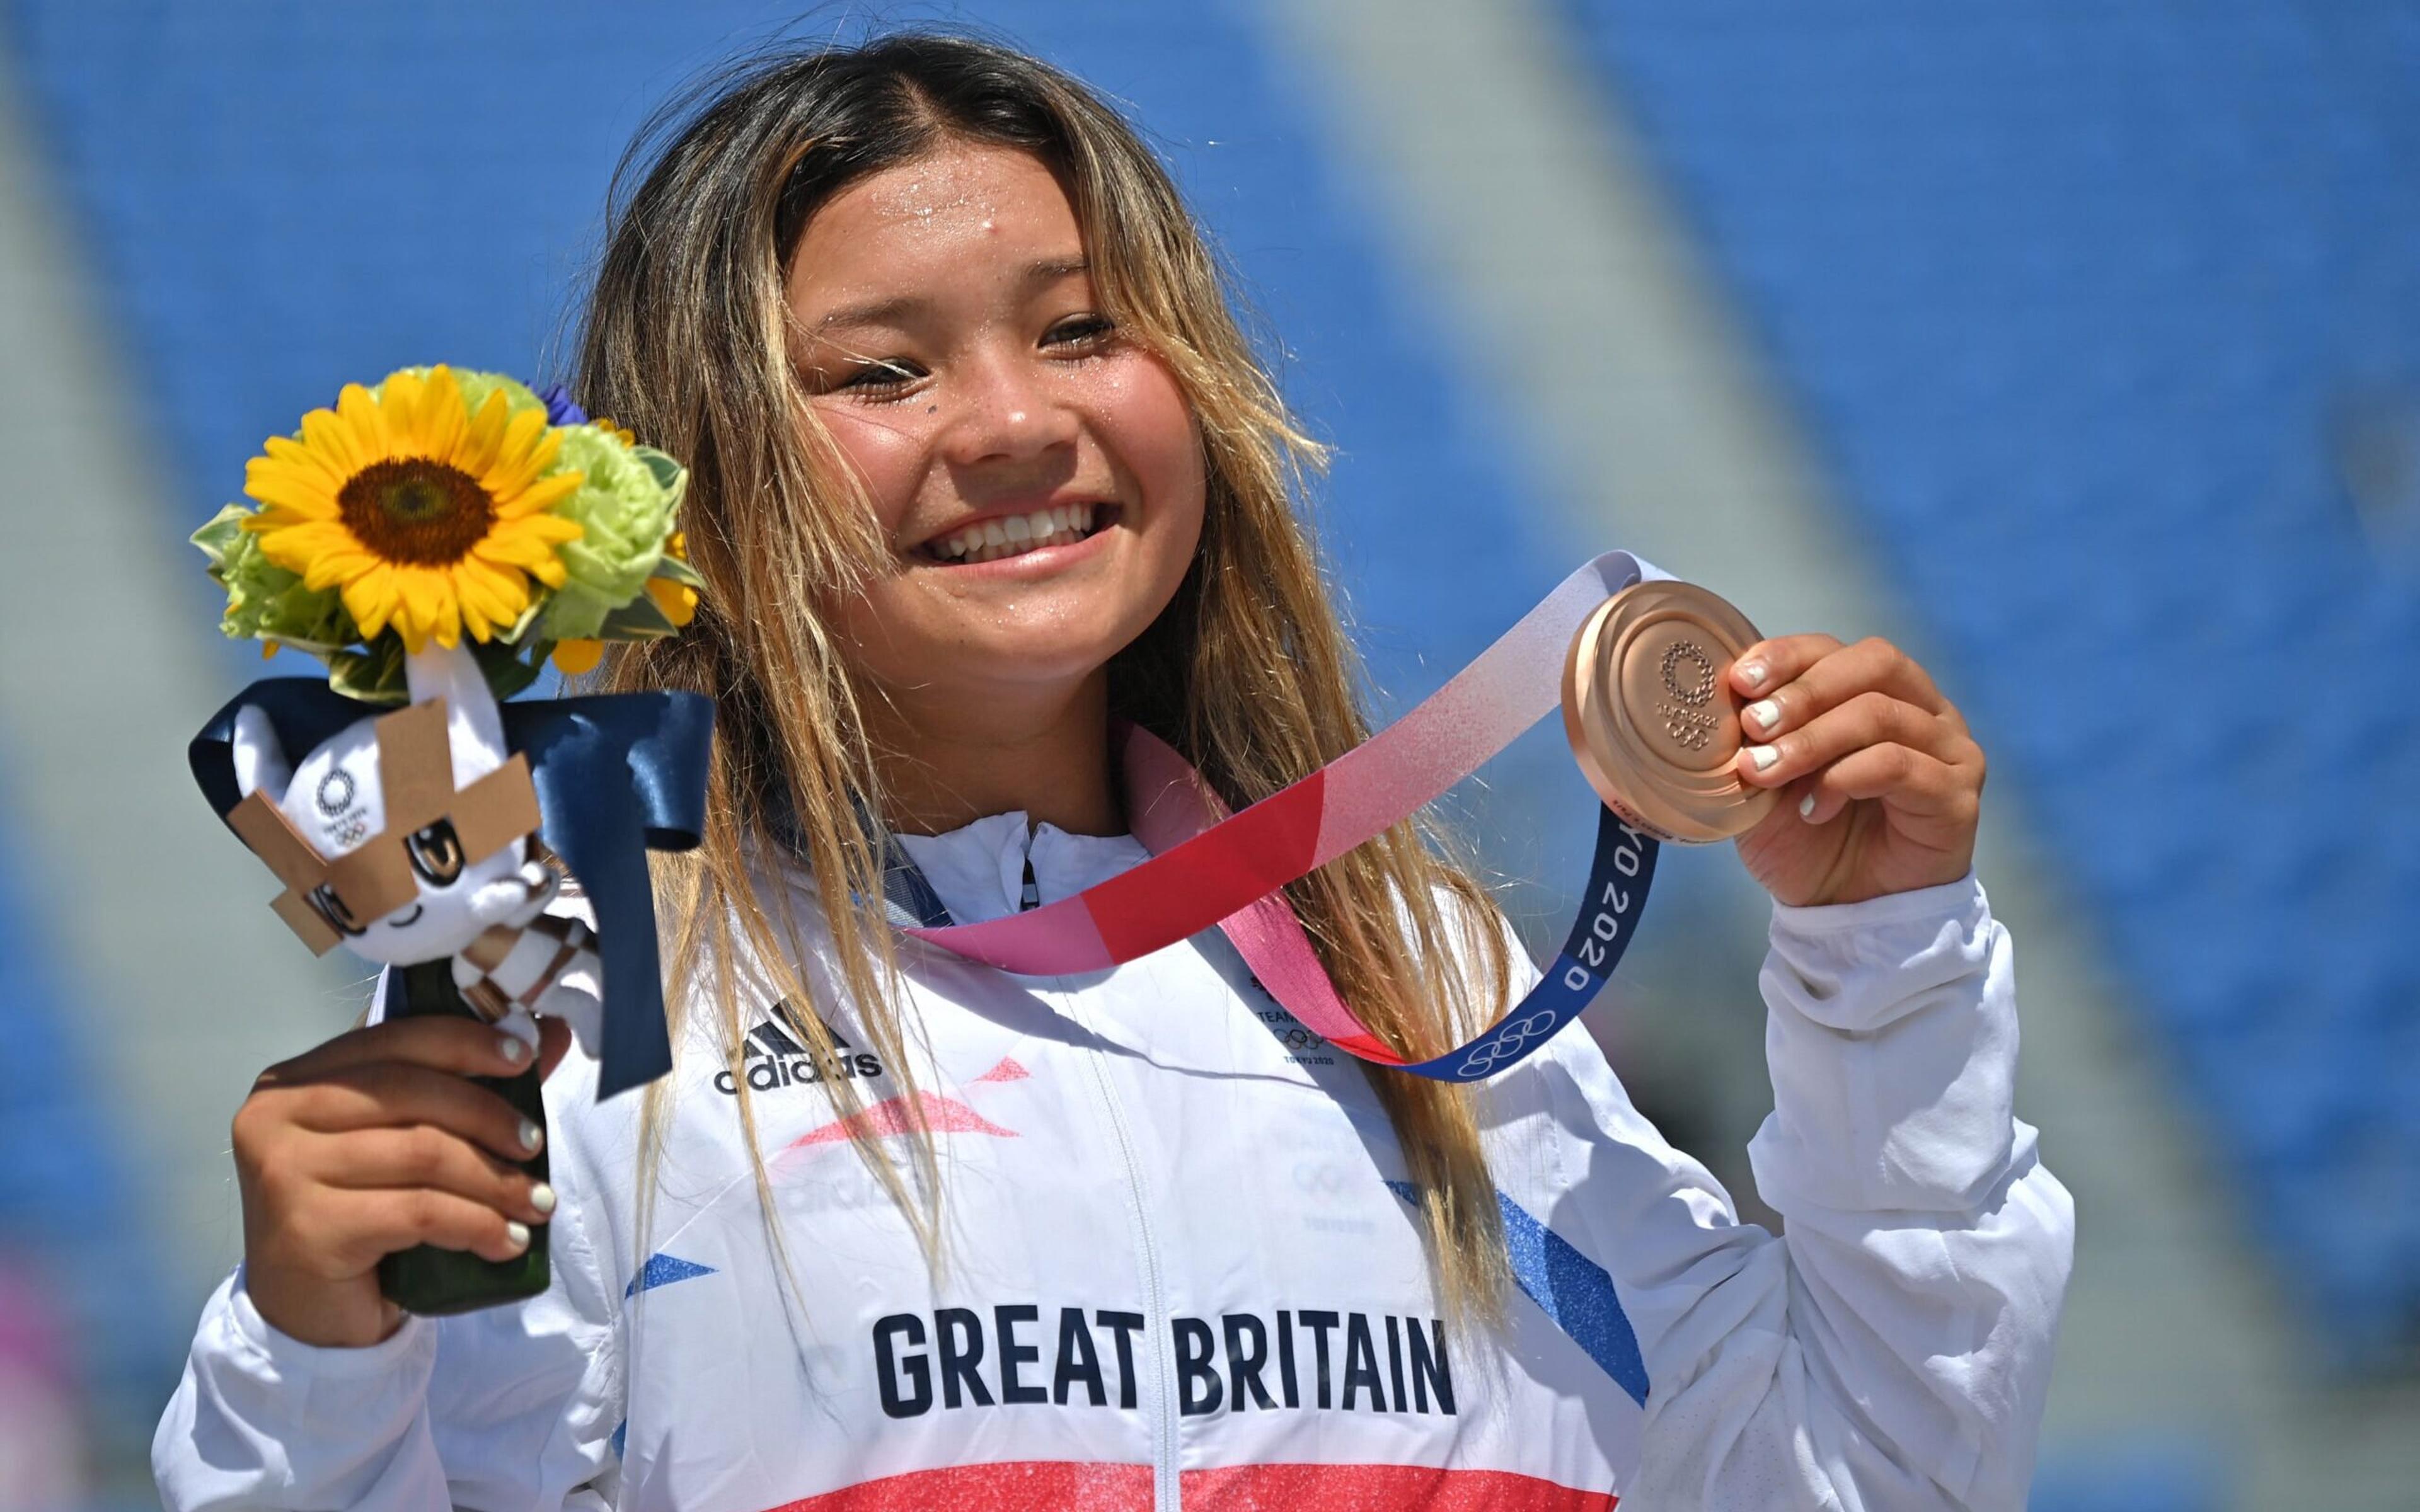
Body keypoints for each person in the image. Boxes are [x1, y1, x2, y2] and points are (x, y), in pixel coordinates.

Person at [155, 32, 2071, 1512]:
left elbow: (1869, 1473)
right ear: (699, 483)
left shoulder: (1421, 967)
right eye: (881, 373)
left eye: (1083, 330)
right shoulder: (591, 997)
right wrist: (316, 1352)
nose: (1014, 423)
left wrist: (1884, 966)